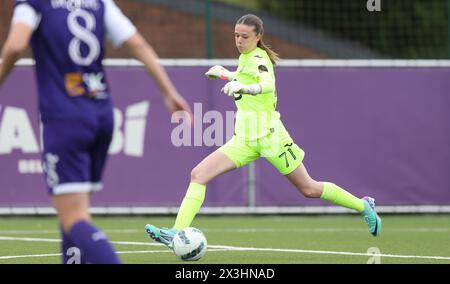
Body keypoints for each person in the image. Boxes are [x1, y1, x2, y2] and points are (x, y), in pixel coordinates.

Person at [145, 14, 381, 248]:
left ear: (258, 37)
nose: (239, 40)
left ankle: (363, 206)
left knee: (309, 188)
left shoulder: (259, 58)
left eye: (245, 36)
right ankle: (176, 233)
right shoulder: (245, 58)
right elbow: (244, 75)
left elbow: (267, 85)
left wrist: (244, 88)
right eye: (236, 35)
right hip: (245, 140)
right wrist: (227, 74)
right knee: (198, 174)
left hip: (271, 137)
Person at [0, 0, 192, 264]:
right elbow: (137, 43)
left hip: (64, 117)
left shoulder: (35, 2)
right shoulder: (99, 3)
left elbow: (16, 44)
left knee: (73, 218)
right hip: (101, 114)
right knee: (74, 212)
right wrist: (169, 92)